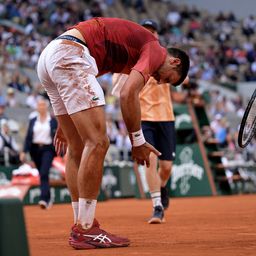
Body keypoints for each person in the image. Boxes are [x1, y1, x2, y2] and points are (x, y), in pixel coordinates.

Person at [37, 17, 190, 250]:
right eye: (166, 78)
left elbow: (87, 77)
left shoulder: (133, 52)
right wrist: (137, 141)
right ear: (174, 61)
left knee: (78, 147)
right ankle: (86, 229)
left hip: (51, 55)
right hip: (71, 53)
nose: (159, 81)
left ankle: (81, 222)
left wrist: (64, 120)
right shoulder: (155, 50)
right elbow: (128, 94)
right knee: (98, 142)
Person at [139, 19, 177, 224]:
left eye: (152, 31)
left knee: (167, 167)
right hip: (144, 117)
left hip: (166, 117)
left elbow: (182, 78)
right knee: (150, 161)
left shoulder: (167, 57)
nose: (149, 34)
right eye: (145, 31)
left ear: (157, 35)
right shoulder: (133, 58)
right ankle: (157, 206)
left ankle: (162, 187)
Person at [20, 98, 57, 209]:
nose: (41, 107)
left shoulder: (53, 121)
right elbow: (28, 137)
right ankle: (48, 197)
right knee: (42, 173)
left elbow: (57, 137)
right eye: (39, 105)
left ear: (46, 107)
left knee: (44, 172)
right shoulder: (33, 120)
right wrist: (24, 151)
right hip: (34, 150)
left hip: (48, 149)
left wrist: (61, 152)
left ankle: (43, 199)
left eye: (43, 105)